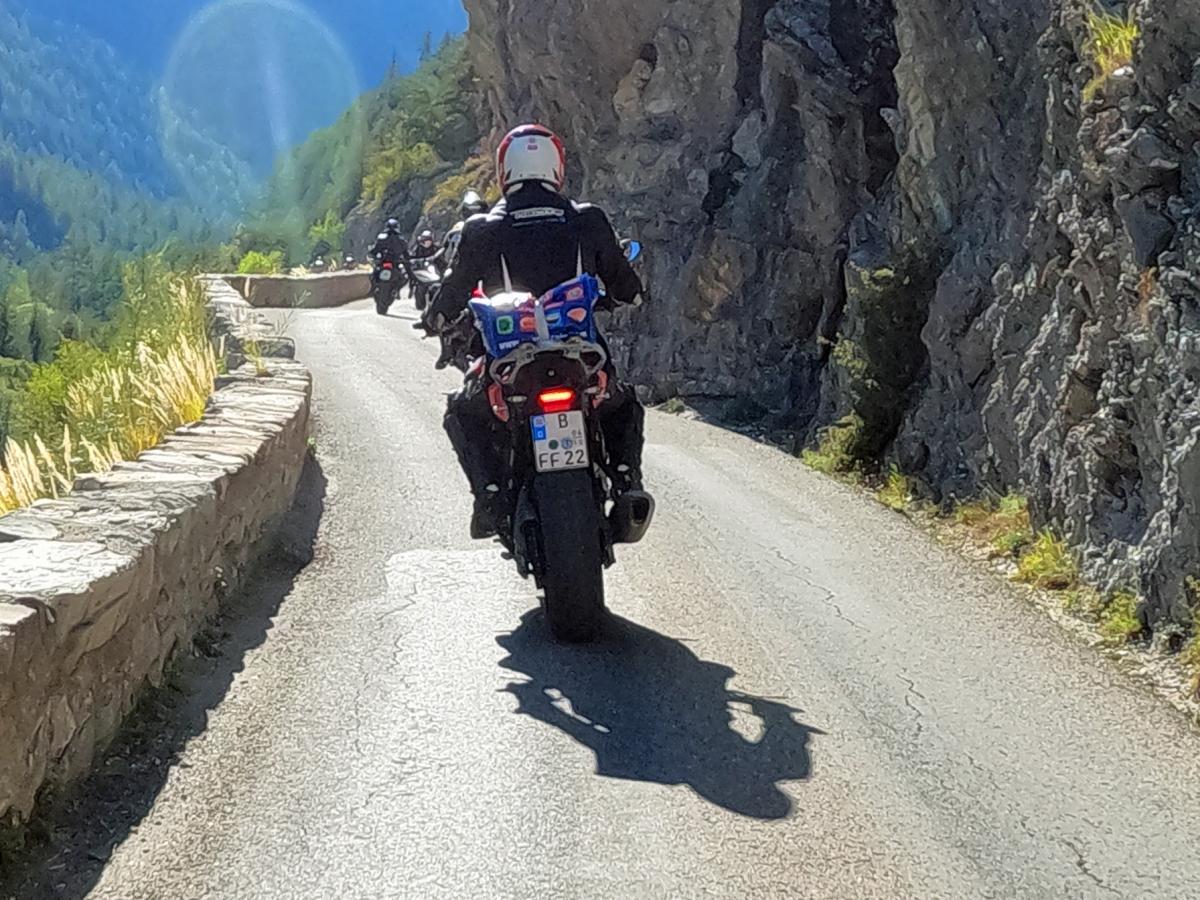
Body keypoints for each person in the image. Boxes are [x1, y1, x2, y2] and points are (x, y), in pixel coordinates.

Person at [424, 124, 647, 539]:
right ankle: (626, 480)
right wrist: (623, 296)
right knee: (620, 402)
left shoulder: (482, 227)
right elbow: (626, 286)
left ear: (504, 169)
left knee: (463, 410)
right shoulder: (587, 219)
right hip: (579, 351)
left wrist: (435, 316)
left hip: (509, 357)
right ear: (557, 167)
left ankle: (490, 495)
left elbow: (454, 289)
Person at [368, 218, 412, 283]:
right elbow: (406, 253)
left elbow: (374, 250)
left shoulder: (381, 238)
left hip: (382, 263)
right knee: (404, 277)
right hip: (395, 264)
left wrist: (372, 255)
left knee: (372, 276)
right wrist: (407, 259)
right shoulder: (401, 239)